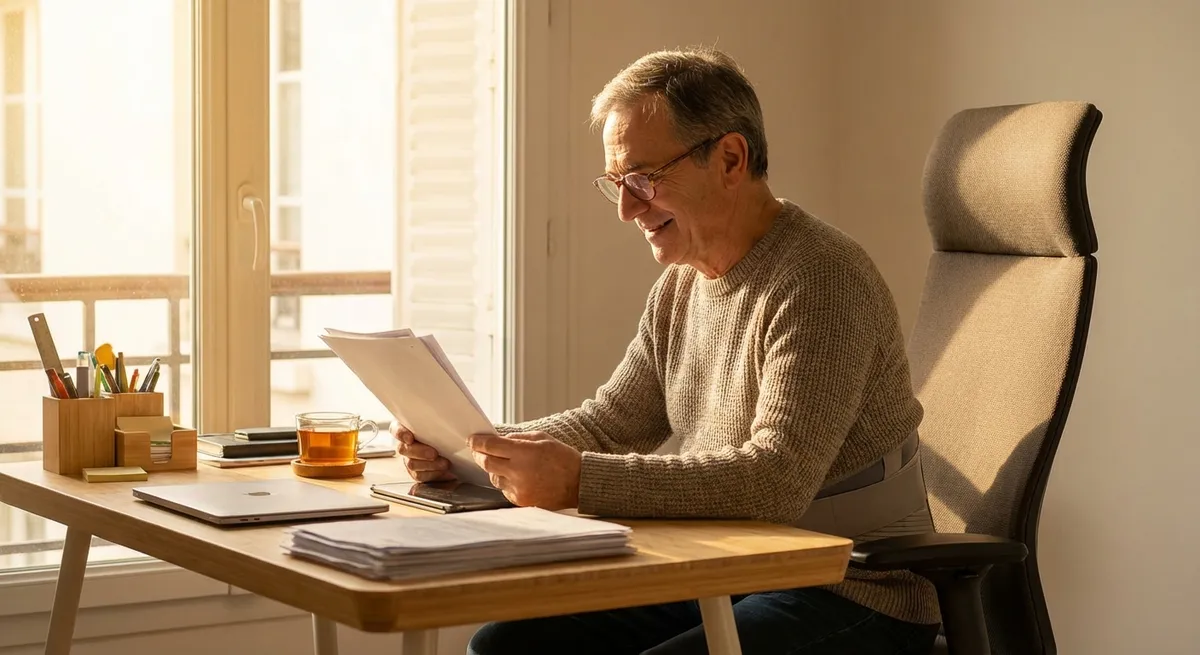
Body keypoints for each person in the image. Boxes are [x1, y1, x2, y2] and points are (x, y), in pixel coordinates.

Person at [393, 46, 942, 655]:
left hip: (852, 588)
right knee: (505, 647)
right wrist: (475, 446)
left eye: (643, 179)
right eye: (617, 185)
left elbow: (774, 482)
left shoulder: (822, 278)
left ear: (730, 159)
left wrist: (578, 481)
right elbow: (609, 423)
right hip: (730, 570)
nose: (628, 209)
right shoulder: (680, 288)